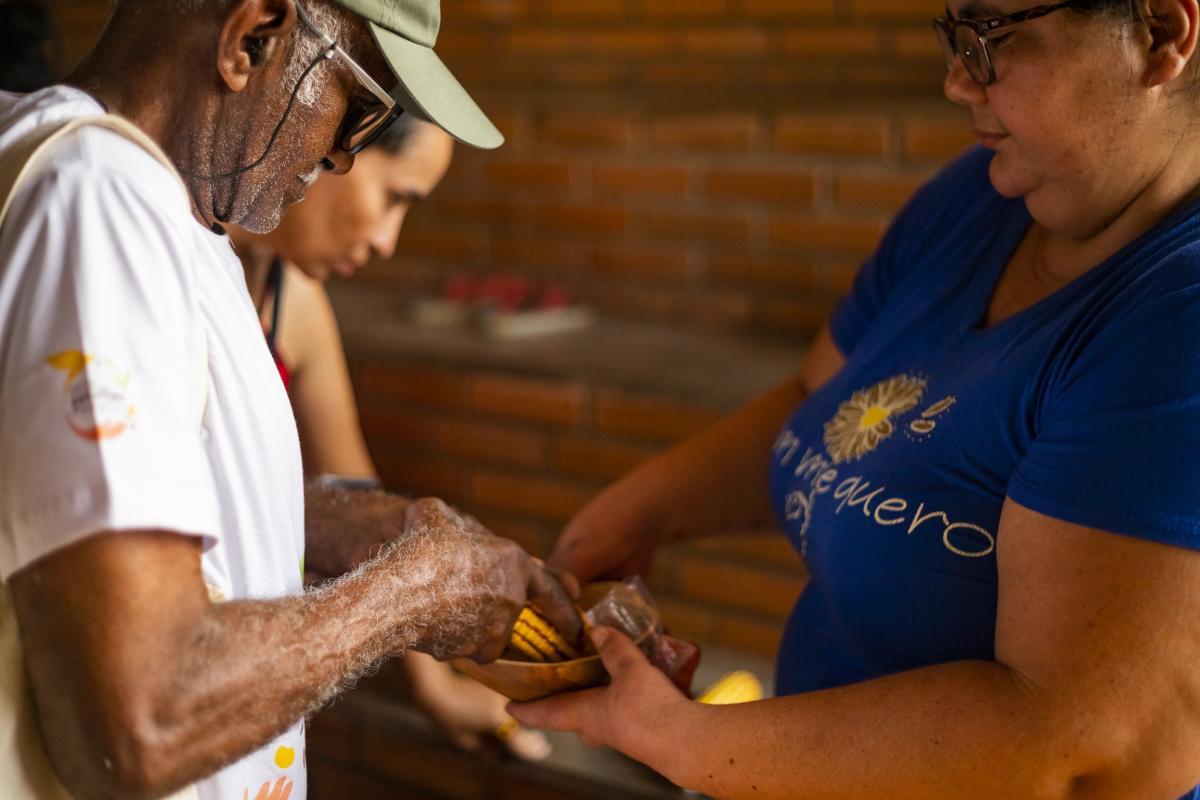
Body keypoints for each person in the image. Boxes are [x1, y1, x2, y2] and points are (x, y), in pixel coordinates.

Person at [510, 1, 1200, 798]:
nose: (957, 81)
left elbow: (1088, 749)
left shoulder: (1176, 318)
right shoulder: (983, 198)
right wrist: (633, 518)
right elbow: (821, 397)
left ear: (1160, 34)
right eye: (953, 36)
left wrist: (679, 741)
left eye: (993, 39)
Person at [0, 1, 579, 799]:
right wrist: (412, 595)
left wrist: (354, 528)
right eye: (361, 106)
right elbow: (145, 719)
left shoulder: (170, 210)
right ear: (254, 36)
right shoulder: (101, 198)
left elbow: (123, 488)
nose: (342, 155)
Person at [228, 114, 551, 761]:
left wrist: (436, 687)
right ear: (326, 145)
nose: (385, 241)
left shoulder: (292, 301)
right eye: (393, 198)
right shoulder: (163, 268)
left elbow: (358, 503)